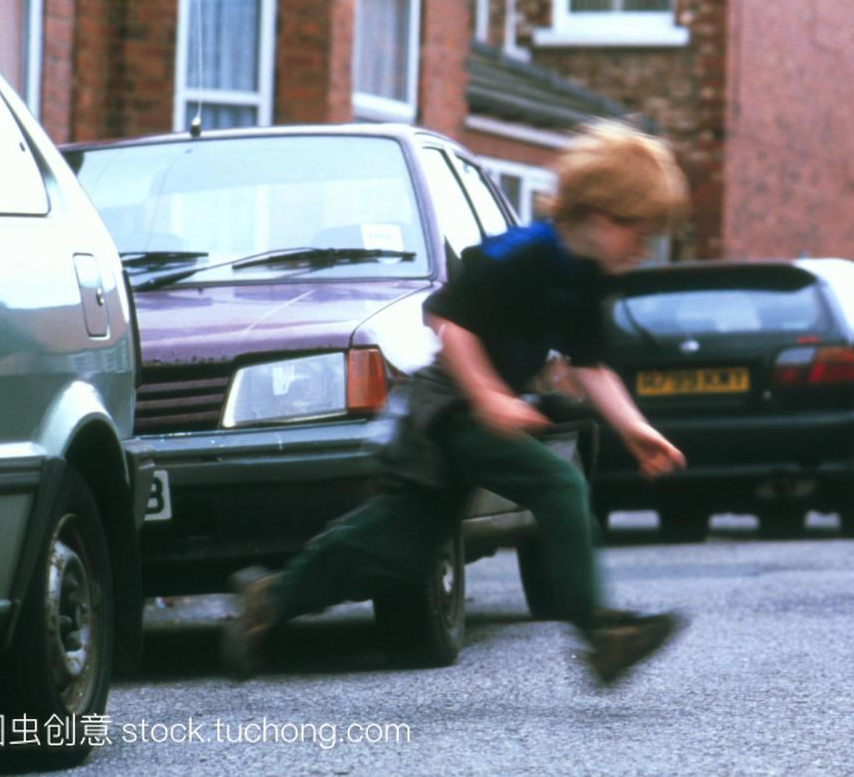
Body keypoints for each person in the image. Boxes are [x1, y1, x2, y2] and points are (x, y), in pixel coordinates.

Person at [222, 120, 690, 686]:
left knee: (403, 540)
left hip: (478, 409)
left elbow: (589, 364)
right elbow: (446, 319)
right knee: (559, 483)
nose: (644, 249)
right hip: (447, 406)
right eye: (640, 233)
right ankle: (601, 632)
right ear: (599, 214)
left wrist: (637, 429)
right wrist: (489, 394)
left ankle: (269, 598)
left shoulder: (586, 276)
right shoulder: (520, 253)